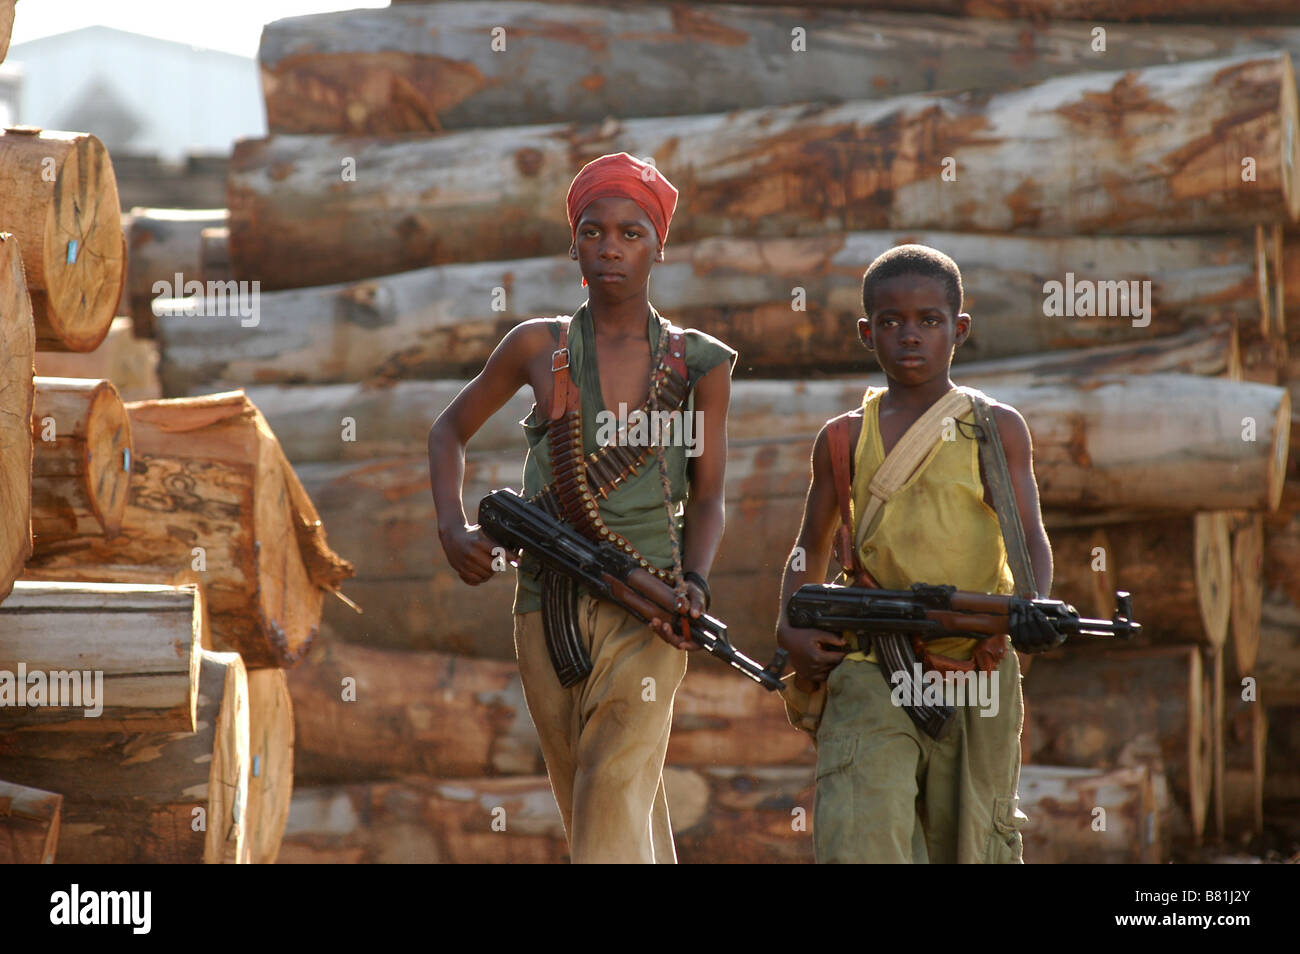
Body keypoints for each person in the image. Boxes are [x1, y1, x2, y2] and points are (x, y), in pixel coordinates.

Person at [428, 153, 736, 863]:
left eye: (631, 233)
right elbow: (449, 431)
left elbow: (711, 495)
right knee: (594, 796)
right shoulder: (539, 348)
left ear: (659, 246)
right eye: (593, 232)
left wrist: (693, 582)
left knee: (610, 786)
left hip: (649, 605)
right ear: (574, 244)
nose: (610, 249)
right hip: (546, 603)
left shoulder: (696, 366)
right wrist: (451, 527)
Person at [774, 243, 1060, 863]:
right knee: (861, 833)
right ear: (865, 331)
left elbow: (1029, 535)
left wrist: (1034, 605)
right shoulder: (844, 438)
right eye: (891, 321)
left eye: (929, 321)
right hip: (871, 663)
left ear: (958, 329)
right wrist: (788, 625)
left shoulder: (995, 428)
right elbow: (809, 549)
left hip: (974, 667)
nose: (910, 336)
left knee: (974, 841)